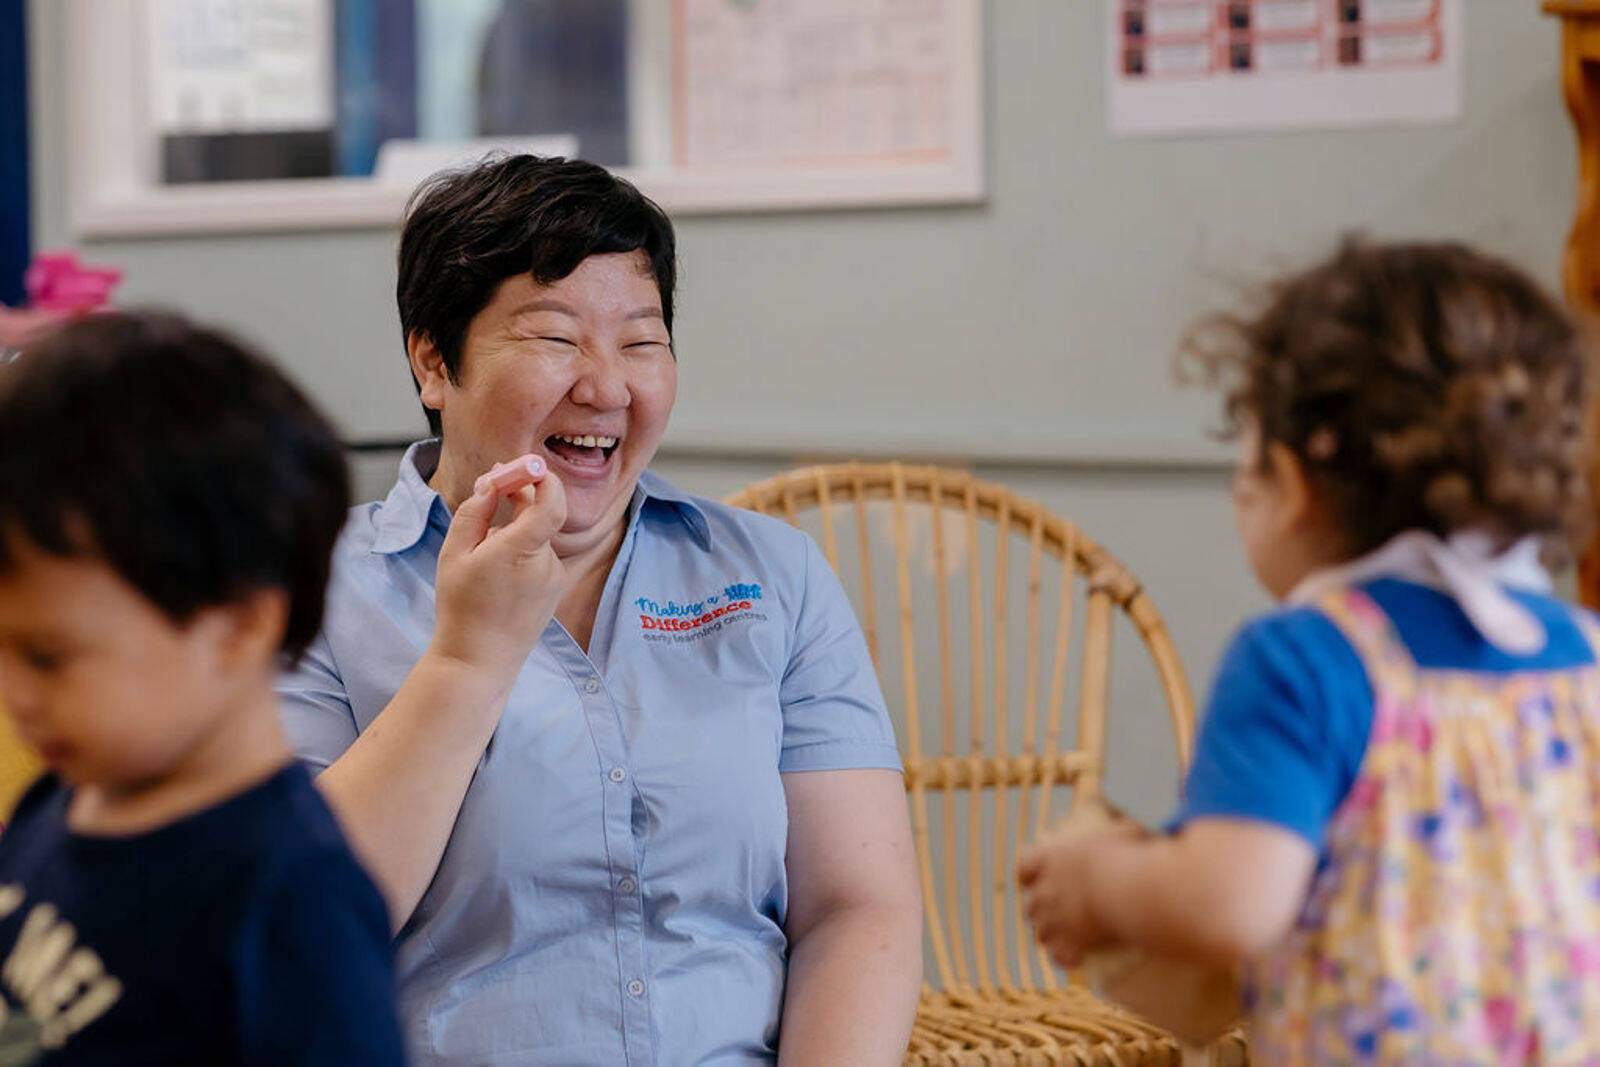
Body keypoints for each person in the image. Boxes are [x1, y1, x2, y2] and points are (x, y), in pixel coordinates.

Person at [279, 154, 923, 1065]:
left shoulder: (772, 574)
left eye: (641, 340)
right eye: (553, 337)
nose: (607, 386)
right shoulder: (312, 588)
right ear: (433, 361)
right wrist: (471, 659)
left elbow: (858, 907)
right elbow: (303, 928)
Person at [1020, 239, 1600, 1062]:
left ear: (1290, 485)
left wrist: (1099, 885)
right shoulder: (1584, 651)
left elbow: (1232, 900)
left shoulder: (1305, 658)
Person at [0, 311, 406, 1064]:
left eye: (48, 656)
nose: (13, 691)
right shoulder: (52, 806)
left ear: (239, 626)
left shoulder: (291, 900)